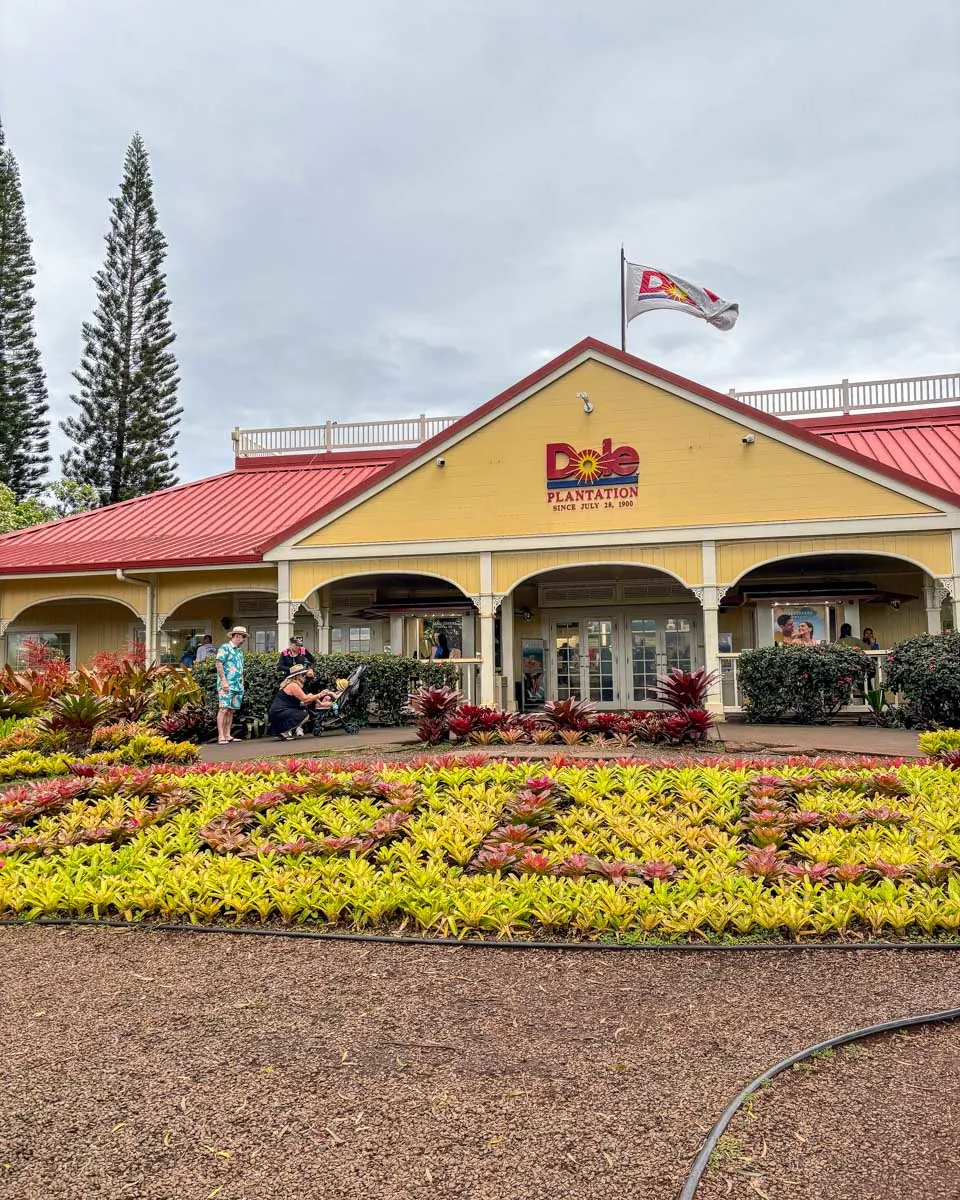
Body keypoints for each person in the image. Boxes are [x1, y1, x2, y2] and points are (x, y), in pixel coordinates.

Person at [267, 664, 335, 740]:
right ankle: (283, 731)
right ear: (297, 676)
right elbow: (305, 699)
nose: (305, 676)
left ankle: (283, 732)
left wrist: (311, 699)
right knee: (304, 716)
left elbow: (298, 702)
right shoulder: (293, 686)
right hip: (280, 712)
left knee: (304, 713)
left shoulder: (292, 685)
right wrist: (320, 694)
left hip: (278, 711)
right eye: (303, 675)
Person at [215, 626, 248, 744]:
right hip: (226, 684)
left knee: (231, 710)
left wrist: (242, 683)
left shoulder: (239, 651)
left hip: (237, 685)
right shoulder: (225, 648)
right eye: (242, 637)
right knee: (223, 708)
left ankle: (228, 735)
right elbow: (219, 664)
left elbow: (240, 668)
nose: (243, 639)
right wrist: (223, 680)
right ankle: (221, 736)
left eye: (243, 637)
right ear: (237, 636)